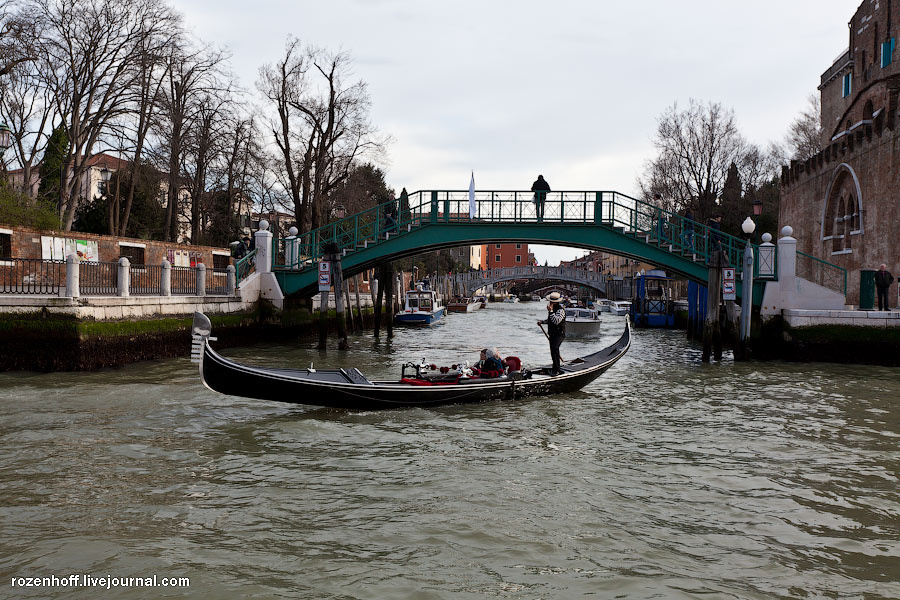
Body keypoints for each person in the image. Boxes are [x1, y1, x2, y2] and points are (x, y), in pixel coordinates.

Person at [537, 291, 566, 375]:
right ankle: (555, 367)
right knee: (553, 351)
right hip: (552, 334)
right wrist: (542, 322)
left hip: (559, 334)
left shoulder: (561, 311)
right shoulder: (552, 310)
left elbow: (556, 321)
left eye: (551, 301)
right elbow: (550, 320)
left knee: (555, 349)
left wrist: (550, 311)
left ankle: (557, 369)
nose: (549, 303)